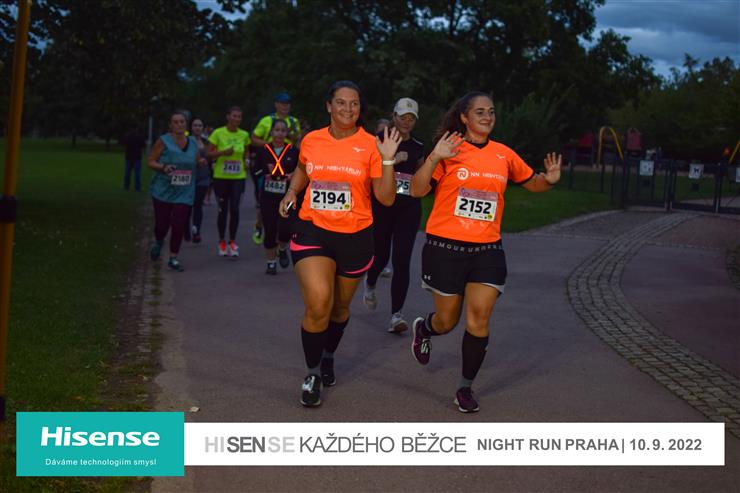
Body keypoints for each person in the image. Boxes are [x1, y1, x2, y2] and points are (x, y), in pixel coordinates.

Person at [409, 91, 561, 413]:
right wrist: (435, 158)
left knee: (479, 318)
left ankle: (464, 388)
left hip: (487, 250)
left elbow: (531, 182)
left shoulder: (504, 154)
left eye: (491, 111)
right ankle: (425, 328)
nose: (487, 117)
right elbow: (417, 190)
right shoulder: (448, 149)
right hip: (445, 248)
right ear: (464, 117)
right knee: (447, 321)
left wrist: (549, 180)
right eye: (479, 112)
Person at [278, 80, 401, 407]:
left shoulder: (372, 145)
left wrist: (388, 160)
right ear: (329, 106)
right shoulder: (312, 140)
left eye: (354, 103)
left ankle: (329, 353)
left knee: (339, 308)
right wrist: (292, 191)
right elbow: (302, 169)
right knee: (319, 303)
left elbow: (386, 198)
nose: (348, 108)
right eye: (342, 102)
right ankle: (312, 373)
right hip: (313, 229)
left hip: (355, 237)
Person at [363, 98, 425, 333]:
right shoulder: (379, 140)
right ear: (394, 116)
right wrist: (391, 160)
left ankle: (396, 315)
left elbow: (420, 175)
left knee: (401, 260)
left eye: (411, 118)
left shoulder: (418, 145)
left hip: (408, 209)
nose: (407, 122)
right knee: (380, 257)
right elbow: (367, 171)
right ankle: (370, 282)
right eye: (402, 117)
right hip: (382, 207)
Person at [146, 111, 198, 271]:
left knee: (178, 224)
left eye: (182, 122)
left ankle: (173, 258)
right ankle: (159, 241)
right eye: (176, 122)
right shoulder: (163, 141)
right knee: (162, 224)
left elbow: (194, 161)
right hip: (163, 190)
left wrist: (201, 162)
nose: (179, 125)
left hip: (185, 191)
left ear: (186, 124)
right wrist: (163, 167)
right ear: (170, 125)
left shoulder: (193, 142)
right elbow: (150, 161)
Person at [250, 92, 302, 245]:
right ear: (276, 104)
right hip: (268, 163)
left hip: (286, 161)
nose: (285, 106)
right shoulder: (267, 120)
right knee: (265, 198)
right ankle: (260, 224)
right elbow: (254, 138)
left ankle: (282, 237)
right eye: (282, 103)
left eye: (287, 103)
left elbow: (297, 141)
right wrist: (269, 147)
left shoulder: (293, 122)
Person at [253, 119, 299, 274]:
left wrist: (292, 175)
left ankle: (282, 248)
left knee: (286, 229)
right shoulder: (263, 150)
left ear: (286, 133)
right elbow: (255, 170)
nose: (279, 133)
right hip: (268, 196)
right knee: (270, 230)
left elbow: (300, 170)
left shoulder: (292, 151)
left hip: (286, 196)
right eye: (277, 130)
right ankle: (271, 262)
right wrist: (264, 173)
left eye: (283, 130)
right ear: (271, 132)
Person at [207, 106, 251, 257]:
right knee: (222, 210)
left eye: (239, 116)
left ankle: (232, 241)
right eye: (234, 116)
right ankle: (221, 241)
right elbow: (208, 154)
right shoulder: (218, 133)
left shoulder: (244, 134)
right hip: (221, 177)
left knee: (235, 209)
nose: (237, 119)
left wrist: (247, 161)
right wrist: (223, 153)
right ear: (228, 117)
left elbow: (246, 151)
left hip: (238, 178)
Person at [188, 118, 210, 243]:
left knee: (198, 204)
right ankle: (186, 229)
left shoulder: (206, 142)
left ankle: (197, 231)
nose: (197, 127)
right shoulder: (186, 141)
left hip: (203, 177)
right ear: (191, 127)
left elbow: (210, 156)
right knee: (188, 205)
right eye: (195, 125)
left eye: (200, 125)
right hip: (189, 177)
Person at [123, 125, 146, 191]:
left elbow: (124, 143)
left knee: (127, 173)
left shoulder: (127, 136)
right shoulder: (139, 136)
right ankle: (137, 188)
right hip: (137, 157)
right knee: (137, 174)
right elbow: (143, 145)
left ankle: (126, 187)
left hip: (129, 157)